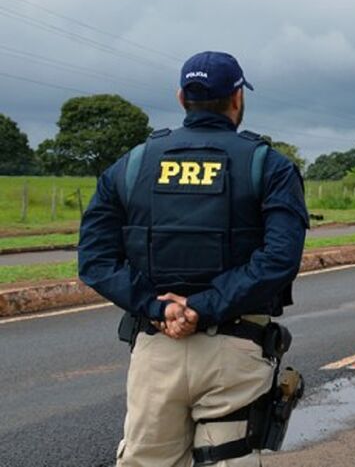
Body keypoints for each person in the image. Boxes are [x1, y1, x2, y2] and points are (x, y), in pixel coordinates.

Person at [78, 51, 310, 466]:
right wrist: (203, 308)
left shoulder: (132, 166)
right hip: (236, 353)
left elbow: (95, 258)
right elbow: (278, 259)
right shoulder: (268, 166)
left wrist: (158, 307)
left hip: (155, 348)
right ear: (236, 99)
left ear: (181, 97)